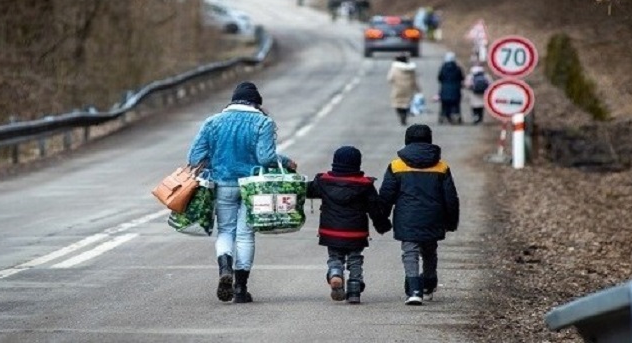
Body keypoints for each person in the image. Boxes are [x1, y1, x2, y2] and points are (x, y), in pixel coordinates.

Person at [187, 81, 297, 304]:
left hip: (222, 184)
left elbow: (194, 159)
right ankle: (240, 289)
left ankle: (224, 269)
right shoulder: (262, 122)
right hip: (253, 187)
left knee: (226, 231)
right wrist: (286, 162)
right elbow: (266, 158)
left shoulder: (212, 122)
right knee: (246, 235)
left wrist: (215, 164)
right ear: (257, 103)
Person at [378, 124, 460, 306]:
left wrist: (381, 218)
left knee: (410, 252)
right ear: (429, 140)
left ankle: (414, 290)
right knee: (430, 251)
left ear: (407, 140)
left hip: (407, 218)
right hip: (434, 217)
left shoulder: (396, 165)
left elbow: (386, 195)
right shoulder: (441, 167)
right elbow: (451, 198)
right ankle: (429, 285)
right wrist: (451, 221)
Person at [306, 146, 392, 304]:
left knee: (335, 257)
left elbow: (307, 190)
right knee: (355, 259)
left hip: (330, 231)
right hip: (356, 232)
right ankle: (354, 291)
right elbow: (375, 209)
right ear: (357, 163)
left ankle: (335, 273)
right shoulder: (365, 185)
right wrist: (383, 225)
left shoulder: (323, 181)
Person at [387, 53, 420, 126]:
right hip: (409, 89)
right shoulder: (411, 69)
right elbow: (414, 80)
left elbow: (389, 78)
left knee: (398, 103)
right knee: (407, 103)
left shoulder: (394, 69)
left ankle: (401, 115)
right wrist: (418, 90)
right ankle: (405, 115)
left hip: (398, 89)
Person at [437, 52, 465, 124]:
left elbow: (439, 78)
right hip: (456, 90)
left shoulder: (443, 68)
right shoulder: (457, 68)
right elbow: (462, 77)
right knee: (456, 104)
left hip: (445, 90)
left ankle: (444, 116)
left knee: (445, 105)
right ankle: (457, 116)